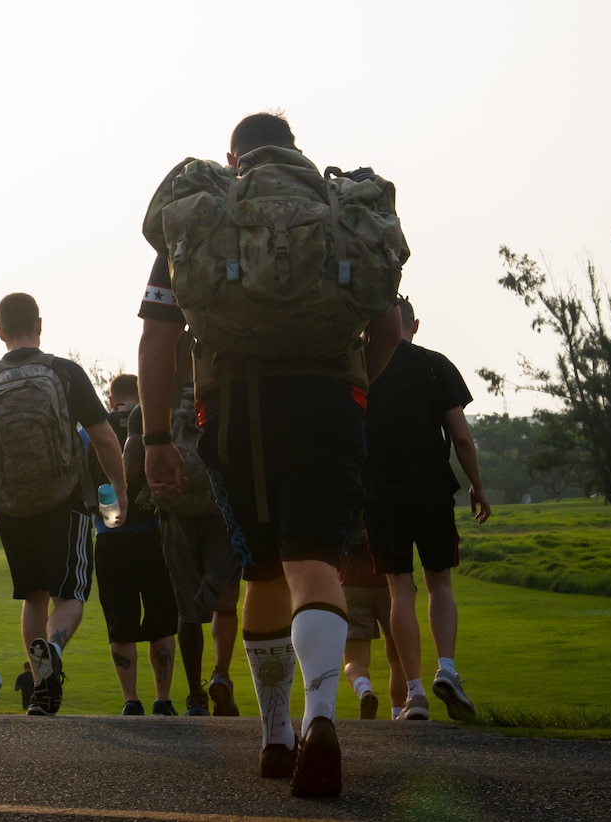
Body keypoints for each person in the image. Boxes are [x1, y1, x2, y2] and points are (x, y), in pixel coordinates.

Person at [137, 112, 407, 798]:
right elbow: (386, 329)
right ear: (297, 151)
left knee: (258, 571)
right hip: (329, 397)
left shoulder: (204, 211)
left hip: (235, 406)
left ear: (236, 157)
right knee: (315, 561)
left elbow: (157, 339)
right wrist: (355, 386)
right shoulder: (341, 210)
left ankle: (276, 737)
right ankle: (323, 715)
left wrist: (159, 439)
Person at [0, 292, 128, 716]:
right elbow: (103, 438)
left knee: (34, 596)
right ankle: (54, 648)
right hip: (63, 498)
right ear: (39, 325)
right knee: (70, 594)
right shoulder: (64, 373)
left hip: (9, 504)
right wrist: (119, 491)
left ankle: (42, 689)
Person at [363, 297, 491, 722]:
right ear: (413, 324)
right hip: (432, 488)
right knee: (440, 584)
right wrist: (477, 485)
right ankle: (448, 670)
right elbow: (461, 437)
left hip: (380, 491)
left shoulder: (361, 367)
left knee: (401, 589)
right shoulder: (436, 366)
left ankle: (414, 693)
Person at [144, 335, 242, 717]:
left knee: (186, 610)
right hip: (223, 506)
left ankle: (195, 695)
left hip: (175, 509)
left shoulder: (154, 408)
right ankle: (222, 674)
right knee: (226, 601)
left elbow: (135, 457)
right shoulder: (223, 396)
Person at [95, 373, 180, 716]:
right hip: (154, 534)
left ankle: (131, 700)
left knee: (121, 622)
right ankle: (163, 698)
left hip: (110, 535)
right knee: (162, 619)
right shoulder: (154, 421)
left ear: (112, 399)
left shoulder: (94, 429)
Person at [340, 530, 402, 719]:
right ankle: (398, 714)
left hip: (351, 581)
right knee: (399, 659)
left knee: (354, 661)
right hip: (390, 581)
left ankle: (364, 689)